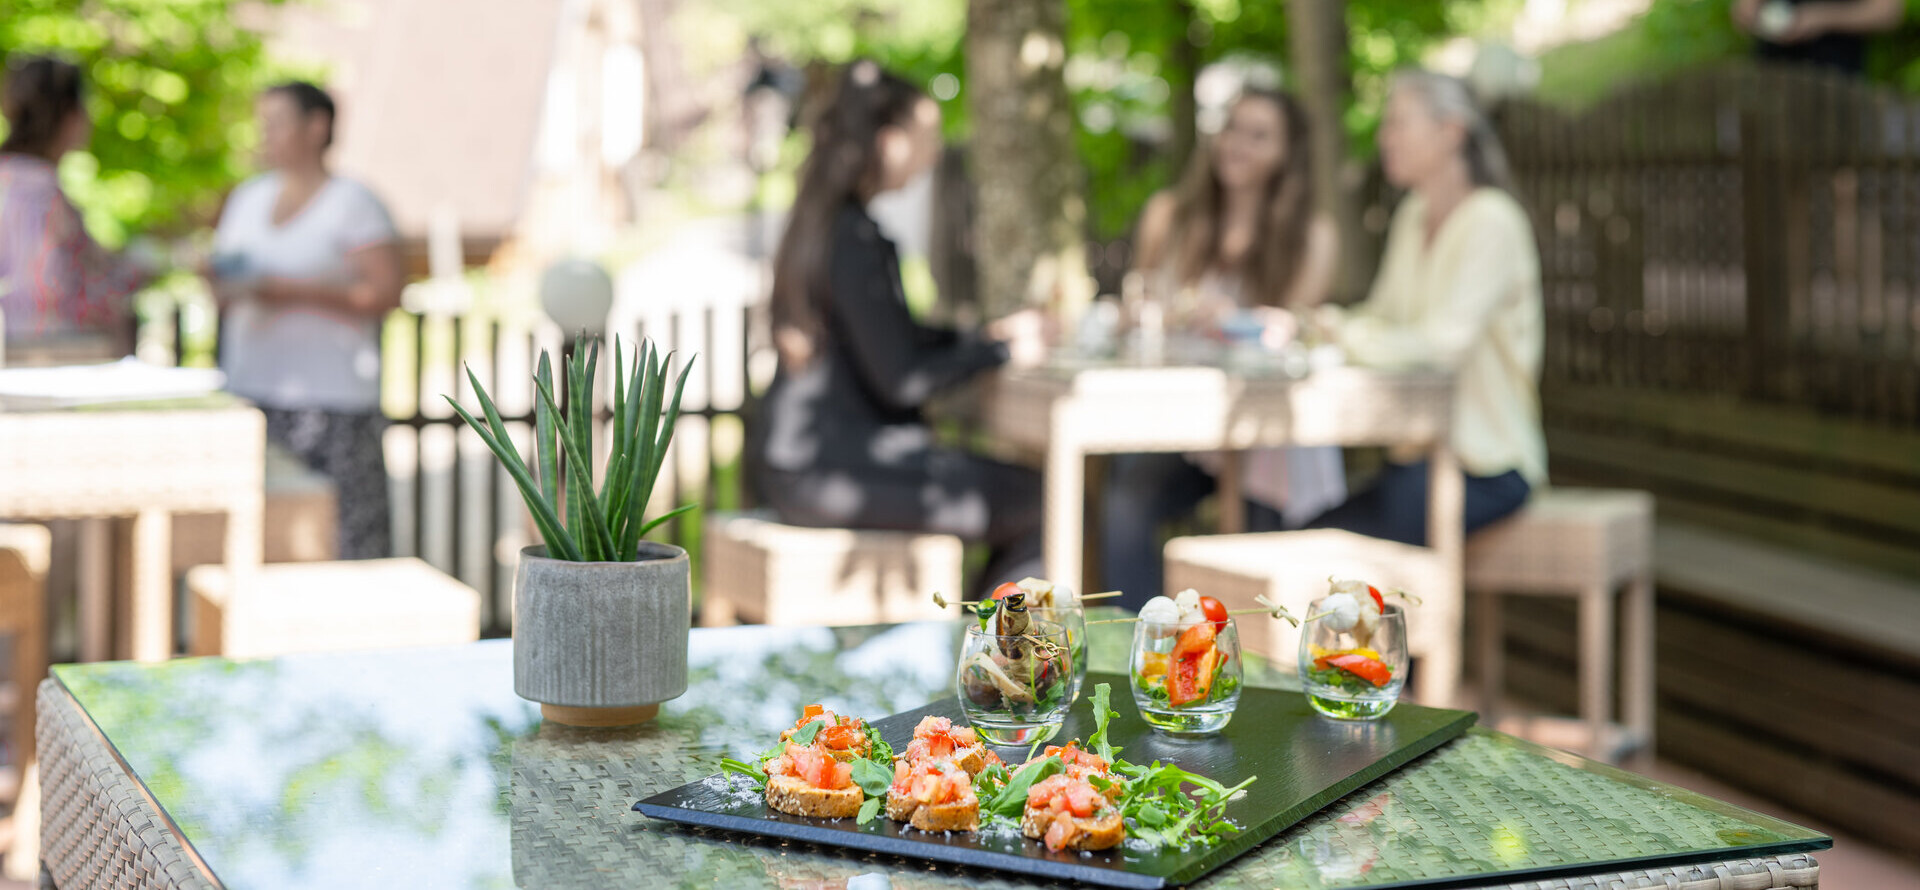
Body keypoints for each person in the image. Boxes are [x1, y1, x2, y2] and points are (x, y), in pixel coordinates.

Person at [748, 61, 1049, 597]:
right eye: (926, 138)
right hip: (827, 470)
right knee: (1046, 500)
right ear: (888, 143)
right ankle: (988, 662)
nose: (934, 153)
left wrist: (982, 339)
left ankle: (977, 647)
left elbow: (889, 335)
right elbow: (903, 378)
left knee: (1027, 492)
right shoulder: (855, 239)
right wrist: (999, 352)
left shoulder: (832, 224)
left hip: (805, 462)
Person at [1101, 89, 1343, 608]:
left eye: (1260, 136)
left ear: (1287, 152)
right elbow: (1134, 310)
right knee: (1126, 496)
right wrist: (1161, 315)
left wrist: (1235, 323)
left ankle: (1248, 658)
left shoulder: (1311, 237)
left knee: (1262, 532)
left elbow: (1296, 334)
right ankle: (1133, 650)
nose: (1238, 145)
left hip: (1261, 433)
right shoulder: (1169, 216)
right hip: (1175, 426)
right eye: (1233, 128)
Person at [1304, 70, 1544, 546]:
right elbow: (1382, 316)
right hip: (1418, 458)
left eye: (1398, 124)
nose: (1384, 138)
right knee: (1301, 535)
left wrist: (1341, 333)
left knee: (1320, 554)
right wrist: (1315, 325)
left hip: (1486, 466)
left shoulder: (1493, 220)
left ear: (1451, 131)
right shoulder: (1413, 214)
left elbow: (1442, 345)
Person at [206, 81, 404, 559]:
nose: (264, 135)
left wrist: (291, 291)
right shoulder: (247, 198)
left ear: (317, 127)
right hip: (253, 392)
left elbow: (386, 290)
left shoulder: (353, 202)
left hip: (333, 404)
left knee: (344, 543)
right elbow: (224, 280)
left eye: (276, 123)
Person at [0, 56, 151, 353]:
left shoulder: (20, 182)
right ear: (69, 115)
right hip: (42, 362)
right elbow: (45, 291)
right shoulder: (38, 193)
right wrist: (136, 273)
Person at [1732, 0, 1903, 75]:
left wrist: (1819, 18)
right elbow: (1743, 12)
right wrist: (1765, 21)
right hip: (1772, 76)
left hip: (1837, 82)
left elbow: (1887, 13)